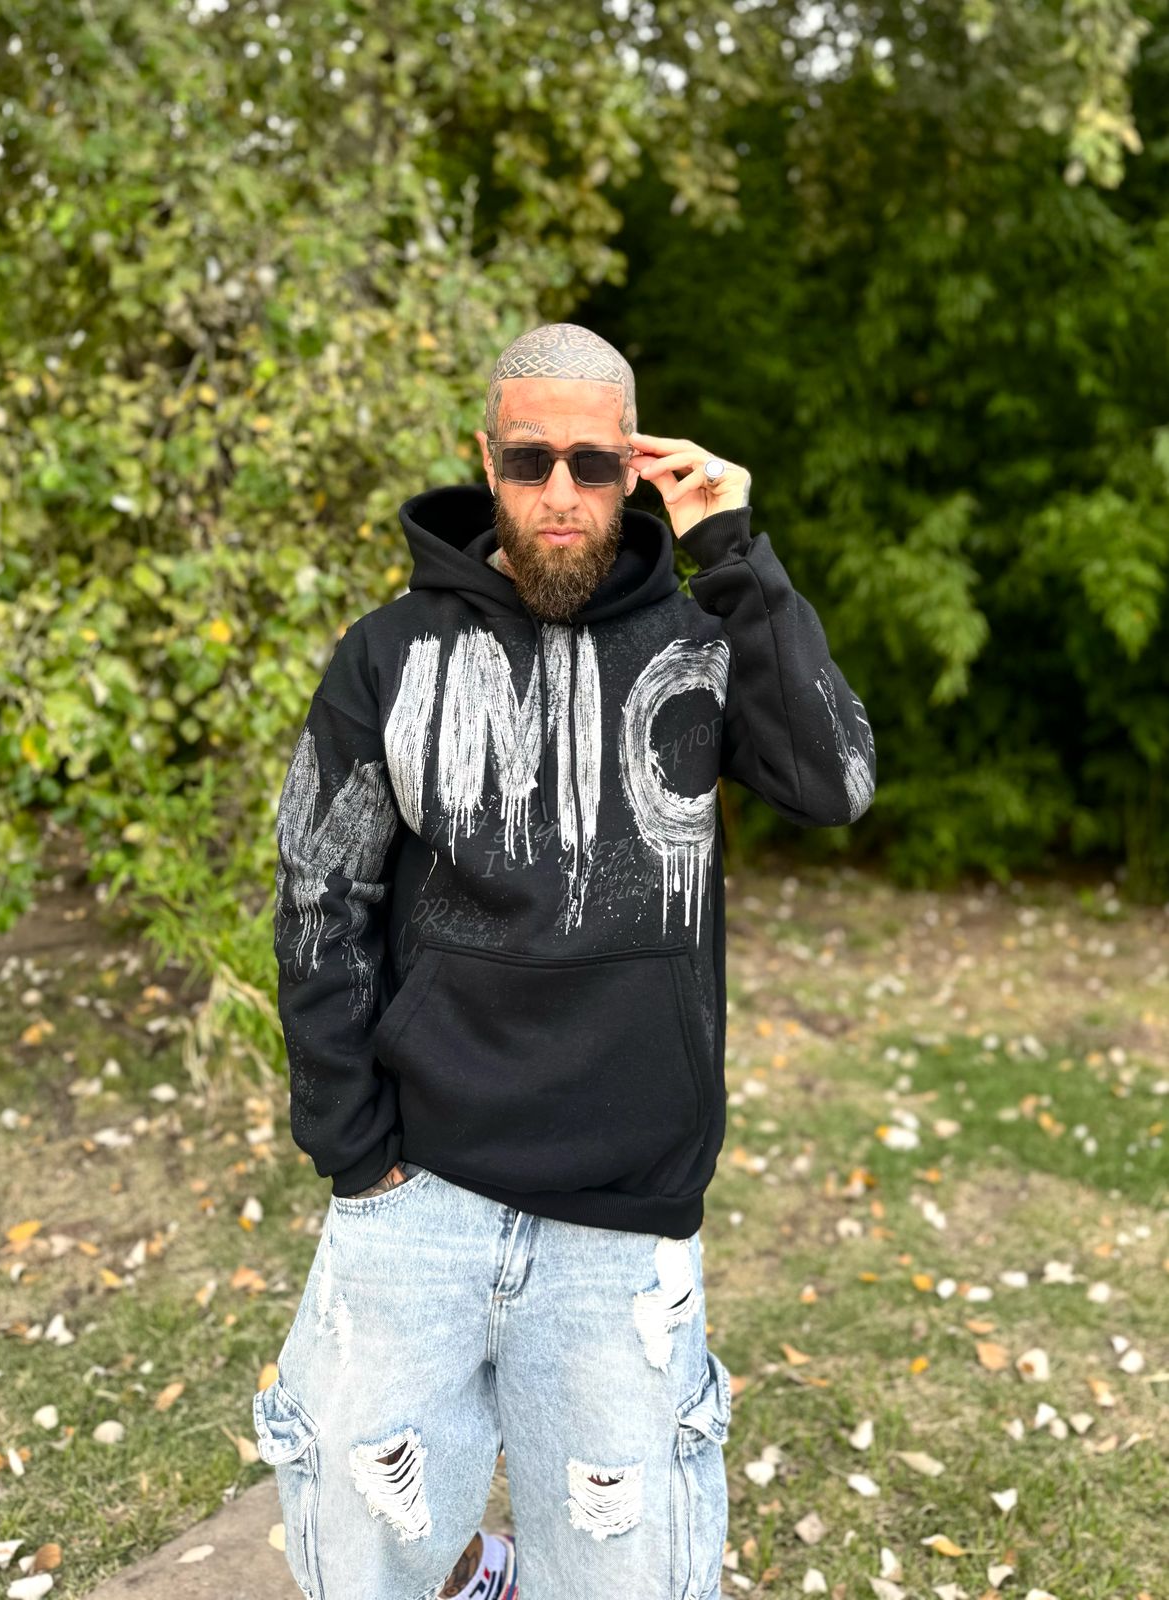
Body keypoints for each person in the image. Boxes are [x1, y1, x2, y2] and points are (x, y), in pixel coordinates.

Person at [253, 322, 876, 1600]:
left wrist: (733, 550)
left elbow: (836, 779)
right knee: (367, 1549)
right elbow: (320, 894)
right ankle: (477, 1572)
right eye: (529, 459)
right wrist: (355, 1151)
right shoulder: (389, 652)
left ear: (632, 470)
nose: (558, 493)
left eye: (592, 464)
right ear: (485, 458)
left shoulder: (700, 643)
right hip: (416, 1194)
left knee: (618, 1575)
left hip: (624, 1219)